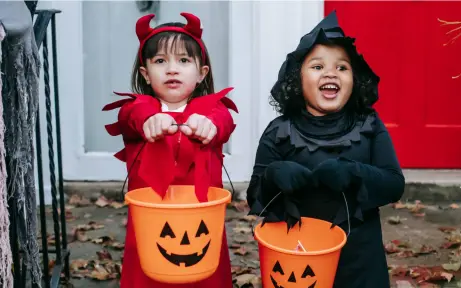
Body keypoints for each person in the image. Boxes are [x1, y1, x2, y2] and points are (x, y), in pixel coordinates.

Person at [246, 10, 405, 287]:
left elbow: (394, 184)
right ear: (298, 79)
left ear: (354, 79)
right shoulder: (279, 131)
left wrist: (354, 173)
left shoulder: (368, 125)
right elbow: (256, 198)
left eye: (342, 68)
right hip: (298, 260)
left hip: (360, 259)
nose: (331, 73)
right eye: (318, 67)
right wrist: (273, 176)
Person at [102, 12, 237, 288]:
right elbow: (131, 116)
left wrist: (209, 125)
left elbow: (224, 121)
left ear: (202, 74)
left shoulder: (212, 111)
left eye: (184, 60)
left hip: (200, 222)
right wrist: (149, 121)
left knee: (205, 273)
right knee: (148, 274)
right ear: (145, 74)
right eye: (160, 61)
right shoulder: (139, 110)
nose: (172, 69)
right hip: (153, 222)